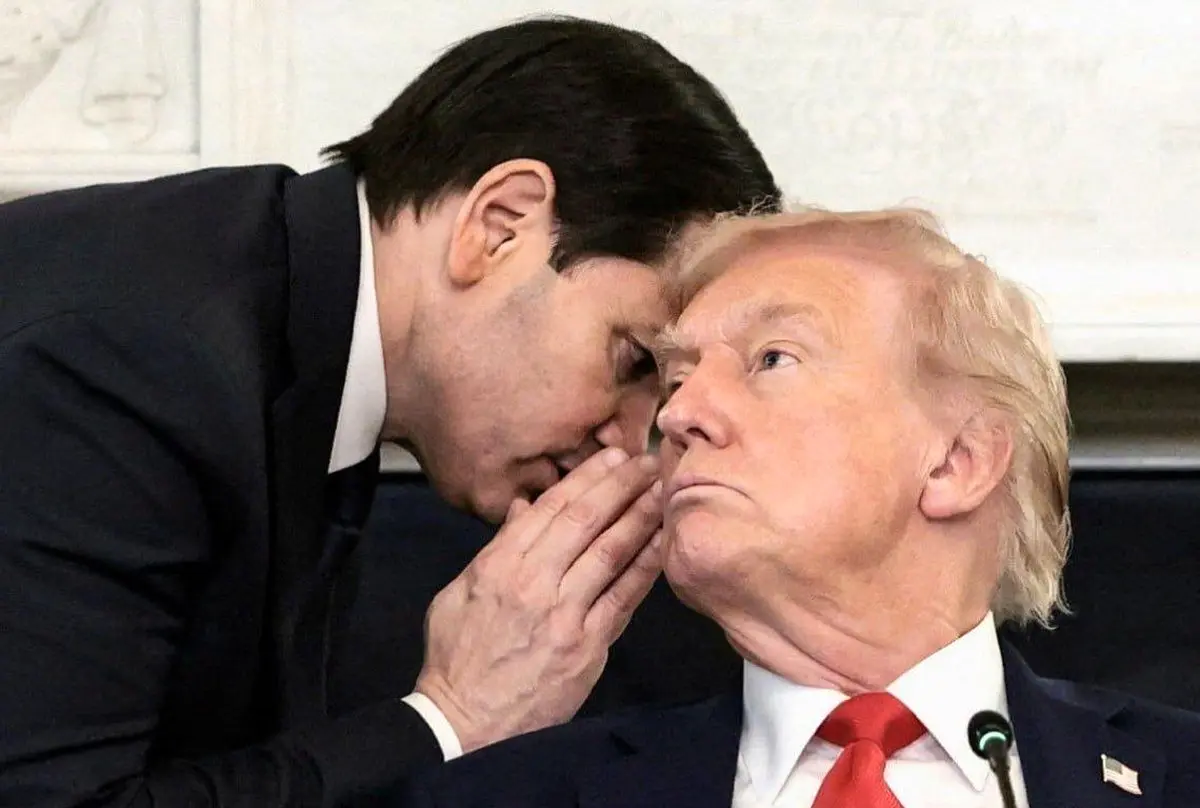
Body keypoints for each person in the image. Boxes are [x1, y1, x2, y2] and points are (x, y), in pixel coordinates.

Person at [0, 16, 781, 808]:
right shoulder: (127, 361)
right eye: (633, 359)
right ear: (500, 224)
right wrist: (453, 717)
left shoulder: (278, 315)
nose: (628, 441)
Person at [396, 208, 1200, 808]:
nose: (679, 415)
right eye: (677, 380)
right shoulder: (511, 794)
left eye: (771, 359)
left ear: (957, 462)